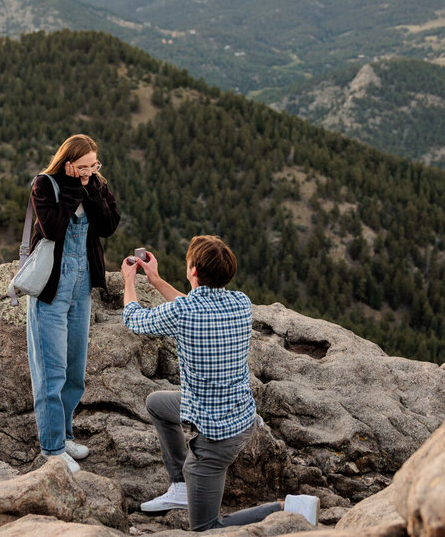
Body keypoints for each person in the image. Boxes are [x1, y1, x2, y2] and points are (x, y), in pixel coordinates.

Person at [120, 235, 320, 531]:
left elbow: (133, 317)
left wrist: (129, 281)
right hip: (240, 415)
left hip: (216, 438)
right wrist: (156, 279)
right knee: (158, 404)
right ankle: (180, 486)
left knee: (206, 528)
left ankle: (289, 507)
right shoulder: (240, 303)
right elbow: (191, 306)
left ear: (193, 272)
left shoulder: (185, 313)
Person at [27, 134, 120, 472]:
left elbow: (108, 225)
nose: (89, 171)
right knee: (50, 372)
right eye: (82, 166)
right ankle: (51, 450)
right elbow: (52, 228)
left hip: (81, 287)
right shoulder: (45, 184)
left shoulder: (95, 184)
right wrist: (70, 185)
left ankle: (64, 435)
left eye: (94, 165)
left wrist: (90, 187)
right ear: (67, 162)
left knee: (74, 370)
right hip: (52, 288)